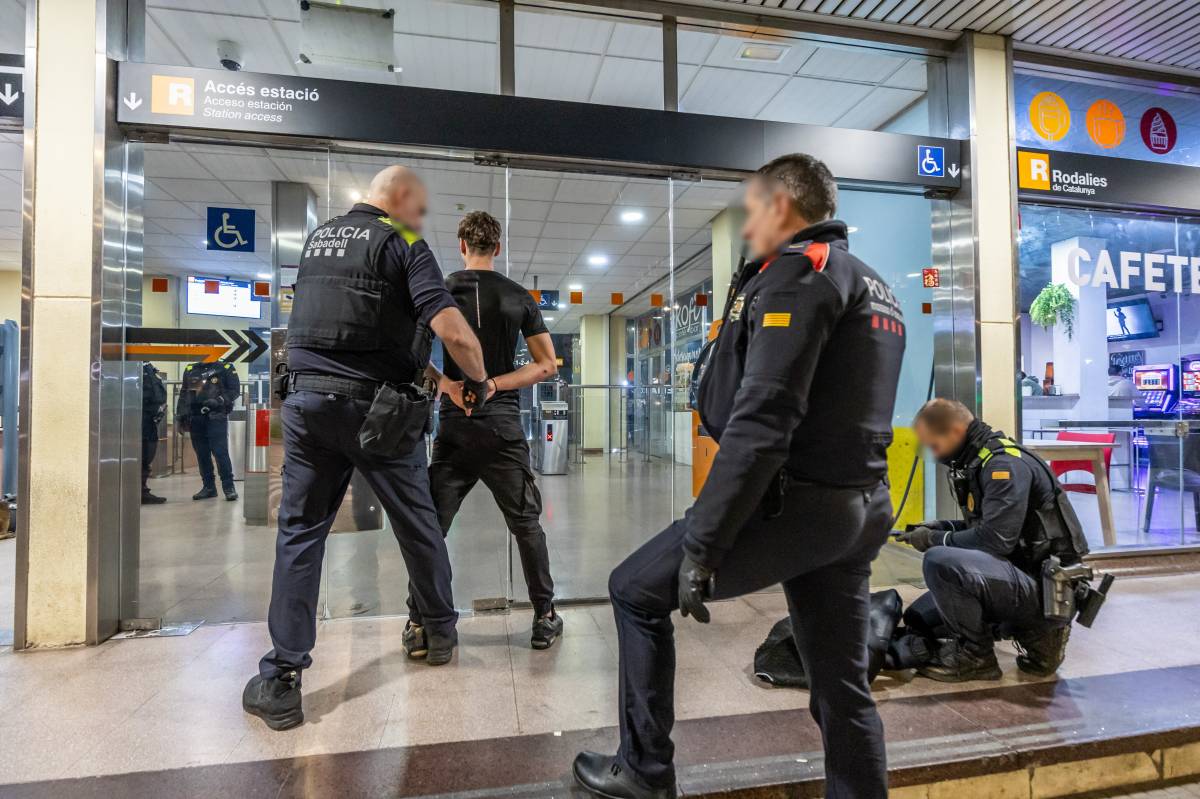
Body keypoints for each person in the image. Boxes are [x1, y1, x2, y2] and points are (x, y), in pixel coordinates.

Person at [572, 154, 905, 799]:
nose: (747, 227)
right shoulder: (870, 282)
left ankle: (644, 772)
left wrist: (705, 544)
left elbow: (764, 419)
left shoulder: (798, 275)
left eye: (752, 211)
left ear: (781, 205)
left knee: (633, 590)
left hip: (797, 505)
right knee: (841, 686)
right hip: (859, 505)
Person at [242, 165, 490, 732]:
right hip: (380, 414)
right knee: (418, 524)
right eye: (418, 208)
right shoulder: (402, 240)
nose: (419, 219)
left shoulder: (318, 240)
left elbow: (371, 332)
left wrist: (440, 381)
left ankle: (281, 678)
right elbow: (452, 331)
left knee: (300, 532)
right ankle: (439, 631)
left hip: (307, 407)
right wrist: (476, 380)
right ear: (399, 198)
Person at [404, 211, 562, 655]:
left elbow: (409, 354)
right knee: (526, 525)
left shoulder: (438, 292)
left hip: (454, 428)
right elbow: (546, 365)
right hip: (502, 427)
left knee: (432, 529)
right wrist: (493, 384)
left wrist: (449, 385)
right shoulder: (518, 296)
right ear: (498, 248)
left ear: (461, 246)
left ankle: (419, 623)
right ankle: (544, 617)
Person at [895, 398, 1074, 682]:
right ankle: (998, 628)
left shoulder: (1004, 465)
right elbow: (987, 528)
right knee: (919, 619)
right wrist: (941, 527)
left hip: (1042, 588)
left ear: (955, 431)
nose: (934, 455)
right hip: (1014, 573)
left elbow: (995, 540)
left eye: (934, 446)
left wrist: (934, 539)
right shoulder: (980, 462)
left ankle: (979, 656)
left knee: (939, 561)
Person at [176, 358, 241, 501]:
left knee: (220, 453)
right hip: (195, 417)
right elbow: (184, 394)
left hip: (216, 416)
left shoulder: (225, 367)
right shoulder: (191, 369)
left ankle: (229, 488)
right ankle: (209, 487)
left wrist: (219, 401)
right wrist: (180, 416)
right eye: (199, 347)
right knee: (202, 454)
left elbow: (235, 391)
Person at [141, 362, 168, 505]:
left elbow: (158, 394)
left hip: (149, 421)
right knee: (140, 457)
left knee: (147, 456)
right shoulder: (135, 366)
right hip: (139, 419)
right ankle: (139, 492)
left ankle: (142, 491)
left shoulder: (148, 368)